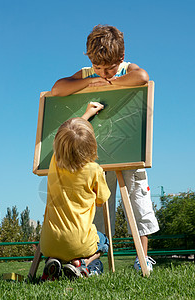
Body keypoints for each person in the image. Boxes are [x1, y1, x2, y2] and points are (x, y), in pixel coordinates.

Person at [51, 24, 159, 272]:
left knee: (138, 203)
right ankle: (94, 260)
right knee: (99, 208)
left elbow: (142, 77)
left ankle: (142, 258)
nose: (103, 72)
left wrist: (114, 80)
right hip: (97, 156)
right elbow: (58, 88)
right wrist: (90, 82)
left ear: (120, 58)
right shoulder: (88, 73)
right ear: (90, 60)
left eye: (108, 67)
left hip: (130, 150)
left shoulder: (126, 69)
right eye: (98, 67)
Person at [40, 102, 111, 280]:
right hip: (80, 244)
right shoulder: (94, 170)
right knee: (104, 242)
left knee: (59, 246)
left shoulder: (54, 162)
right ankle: (80, 265)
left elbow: (62, 133)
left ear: (59, 145)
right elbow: (102, 200)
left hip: (47, 244)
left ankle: (53, 261)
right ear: (91, 145)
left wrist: (85, 116)